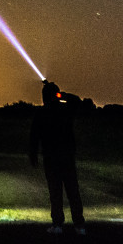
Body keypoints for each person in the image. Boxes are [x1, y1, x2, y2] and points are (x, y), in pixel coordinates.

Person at [29, 79, 86, 235]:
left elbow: (34, 136)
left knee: (55, 192)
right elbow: (77, 101)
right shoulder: (65, 109)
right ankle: (79, 225)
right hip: (67, 157)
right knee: (73, 191)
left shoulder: (41, 113)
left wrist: (33, 154)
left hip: (51, 158)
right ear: (57, 95)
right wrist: (62, 94)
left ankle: (58, 225)